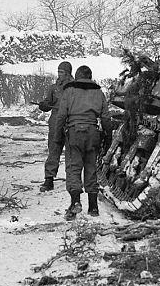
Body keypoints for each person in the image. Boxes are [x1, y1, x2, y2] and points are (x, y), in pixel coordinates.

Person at [52, 65, 111, 219]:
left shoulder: (69, 91)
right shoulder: (98, 92)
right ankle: (93, 207)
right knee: (91, 168)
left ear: (76, 76)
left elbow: (61, 116)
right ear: (90, 77)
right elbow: (105, 117)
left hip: (74, 133)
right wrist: (108, 136)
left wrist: (58, 137)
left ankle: (75, 203)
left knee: (73, 168)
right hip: (93, 133)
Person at [37, 61, 73, 192]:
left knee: (71, 151)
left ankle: (72, 180)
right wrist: (44, 105)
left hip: (70, 122)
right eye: (58, 72)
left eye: (62, 72)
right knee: (53, 149)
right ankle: (49, 179)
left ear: (68, 73)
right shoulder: (53, 88)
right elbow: (48, 102)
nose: (59, 74)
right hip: (55, 122)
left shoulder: (75, 88)